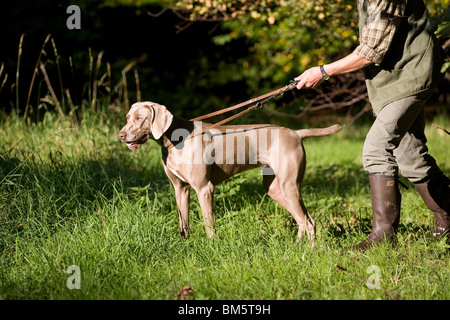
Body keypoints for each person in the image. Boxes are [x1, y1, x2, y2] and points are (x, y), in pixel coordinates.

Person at [294, 0, 449, 250]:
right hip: (396, 79)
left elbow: (371, 50)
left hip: (411, 75)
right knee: (410, 157)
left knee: (377, 149)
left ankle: (383, 237)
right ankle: (447, 219)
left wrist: (323, 71)